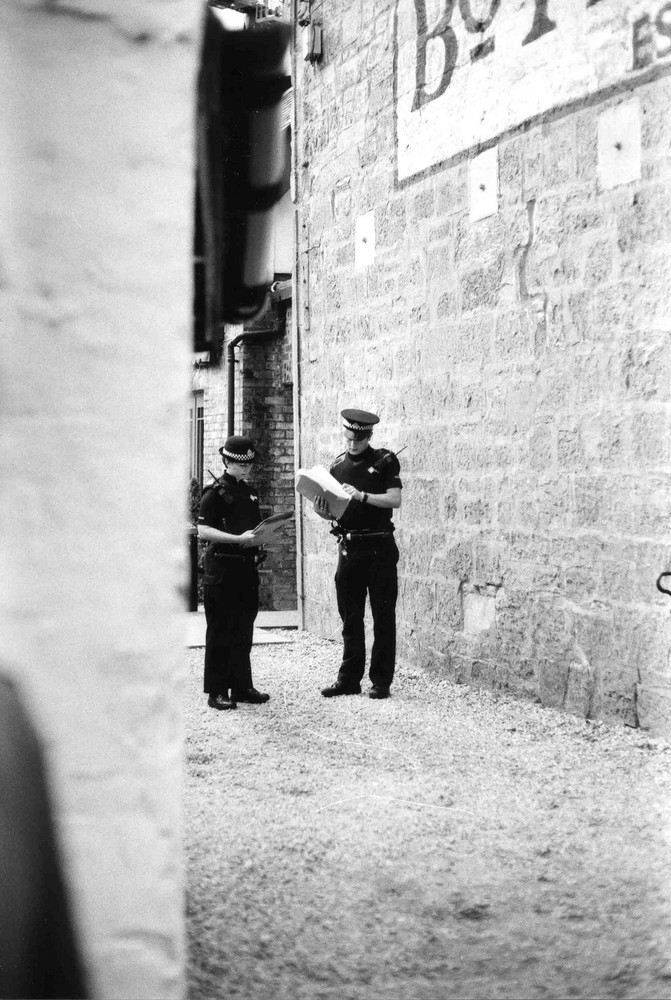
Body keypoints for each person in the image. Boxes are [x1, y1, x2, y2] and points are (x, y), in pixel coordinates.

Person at [314, 409, 402, 700]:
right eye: (349, 438)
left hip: (379, 548)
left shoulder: (384, 461)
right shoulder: (337, 466)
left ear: (369, 436)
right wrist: (321, 509)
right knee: (350, 618)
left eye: (358, 439)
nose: (352, 444)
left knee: (382, 616)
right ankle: (349, 679)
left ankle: (380, 681)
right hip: (349, 548)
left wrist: (362, 495)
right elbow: (331, 508)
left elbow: (395, 499)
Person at [197, 435, 277, 710]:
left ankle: (242, 686)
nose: (246, 469)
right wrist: (237, 539)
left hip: (245, 568)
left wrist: (263, 535)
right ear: (227, 462)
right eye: (240, 465)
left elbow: (252, 527)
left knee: (244, 629)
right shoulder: (214, 492)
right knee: (220, 630)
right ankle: (217, 691)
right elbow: (203, 530)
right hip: (221, 567)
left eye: (249, 465)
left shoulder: (249, 492)